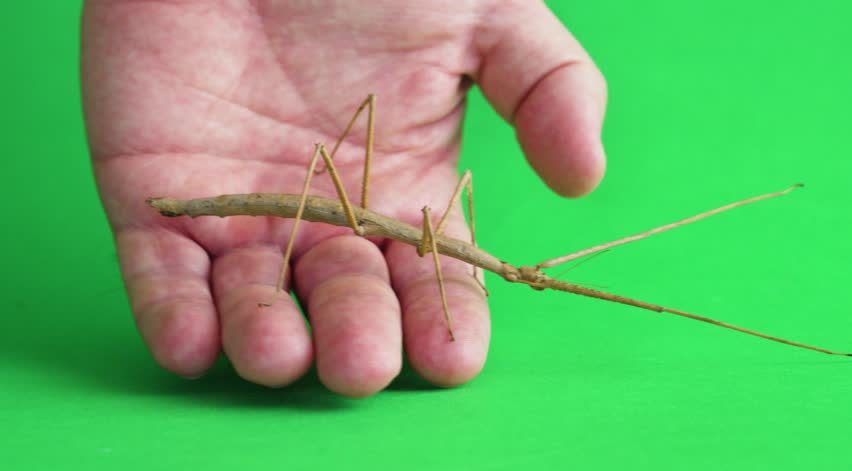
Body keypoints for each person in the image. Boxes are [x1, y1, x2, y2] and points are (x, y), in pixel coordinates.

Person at [81, 0, 607, 398]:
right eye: (524, 276)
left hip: (345, 207)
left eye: (528, 278)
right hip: (319, 203)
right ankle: (194, 216)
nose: (527, 276)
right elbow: (441, 211)